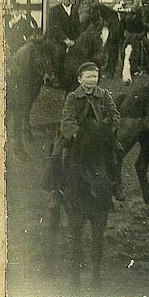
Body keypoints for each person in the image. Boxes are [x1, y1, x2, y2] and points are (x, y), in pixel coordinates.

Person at [44, 61, 123, 201]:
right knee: (58, 154)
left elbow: (114, 113)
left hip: (99, 132)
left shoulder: (104, 94)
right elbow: (68, 117)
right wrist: (74, 133)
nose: (92, 80)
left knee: (116, 152)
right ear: (80, 79)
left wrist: (108, 125)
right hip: (78, 133)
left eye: (95, 76)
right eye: (88, 77)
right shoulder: (72, 97)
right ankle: (56, 188)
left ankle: (116, 183)